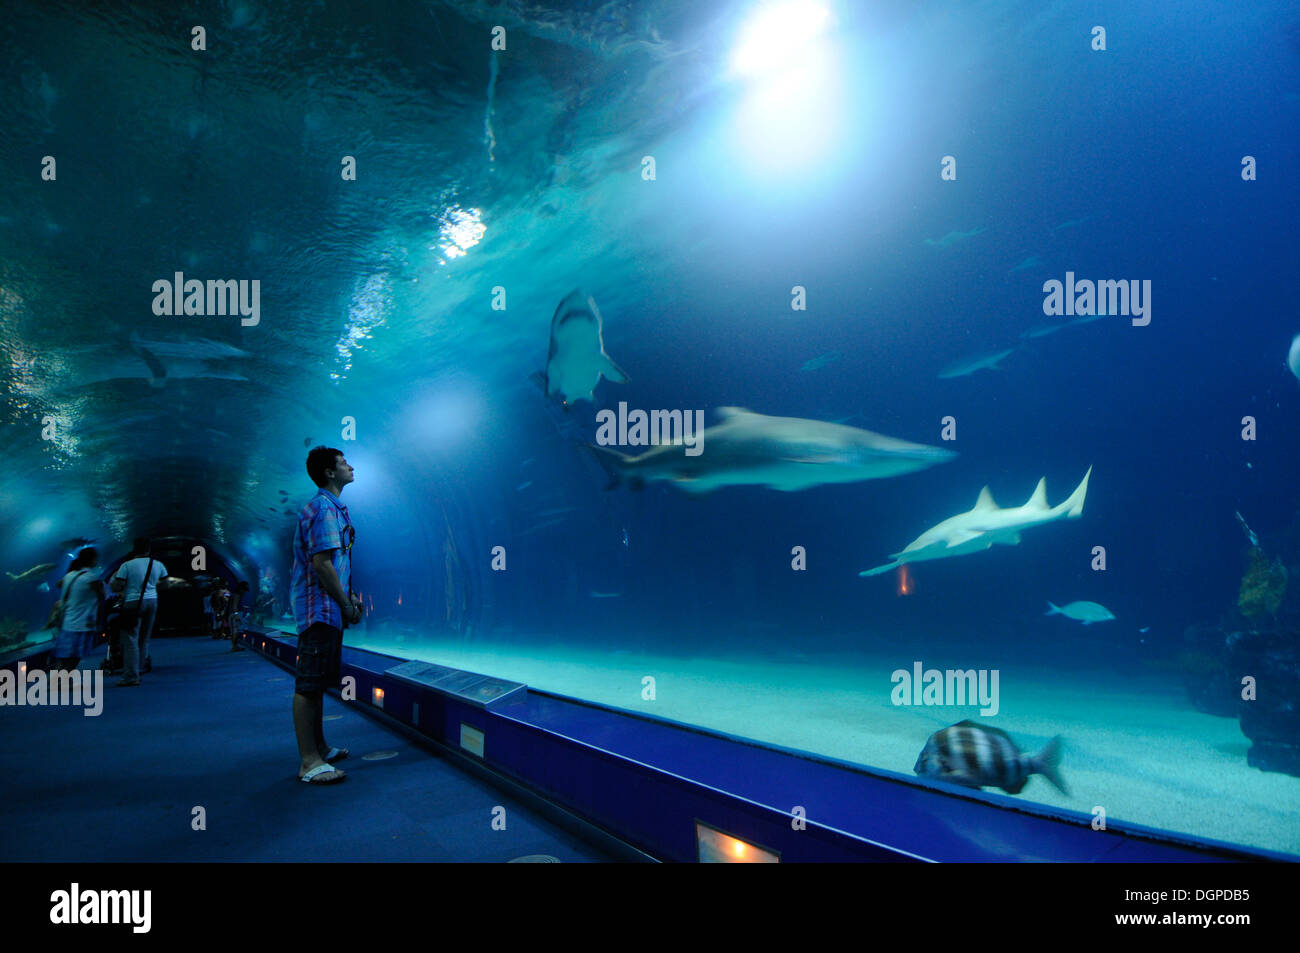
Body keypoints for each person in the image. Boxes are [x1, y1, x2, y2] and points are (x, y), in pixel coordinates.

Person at [290, 446, 361, 785]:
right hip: (318, 609)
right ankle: (308, 762)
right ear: (329, 473)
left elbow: (337, 564)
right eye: (343, 463)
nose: (350, 466)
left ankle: (319, 747)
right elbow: (322, 564)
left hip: (327, 609)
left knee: (318, 683)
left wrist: (349, 600)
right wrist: (345, 605)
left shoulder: (333, 509)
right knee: (308, 684)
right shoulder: (322, 509)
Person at [110, 537, 167, 687]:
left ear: (134, 549)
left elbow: (118, 586)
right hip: (152, 601)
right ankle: (140, 668)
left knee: (130, 639)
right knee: (144, 638)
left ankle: (131, 676)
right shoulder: (158, 564)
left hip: (132, 602)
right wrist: (151, 589)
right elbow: (165, 583)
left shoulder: (127, 565)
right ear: (149, 549)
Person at [52, 547, 105, 672]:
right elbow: (102, 597)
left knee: (63, 654)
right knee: (76, 655)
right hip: (83, 623)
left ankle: (58, 677)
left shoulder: (69, 576)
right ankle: (64, 678)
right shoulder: (92, 578)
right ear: (93, 560)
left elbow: (58, 584)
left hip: (67, 622)